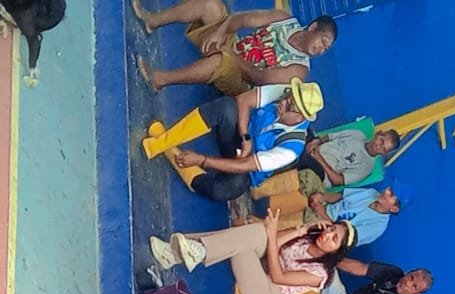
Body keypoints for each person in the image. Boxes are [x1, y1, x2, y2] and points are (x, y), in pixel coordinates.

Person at [142, 81, 323, 202]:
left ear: (299, 117)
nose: (283, 102)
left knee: (224, 189)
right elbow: (243, 100)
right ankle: (162, 143)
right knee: (226, 107)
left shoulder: (292, 149)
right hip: (240, 137)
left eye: (290, 105)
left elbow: (245, 165)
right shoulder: (285, 93)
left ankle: (173, 153)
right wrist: (245, 137)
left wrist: (202, 160)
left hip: (246, 168)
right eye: (287, 96)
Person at [149, 209, 357, 294]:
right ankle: (192, 252)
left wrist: (272, 234)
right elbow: (273, 241)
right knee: (257, 232)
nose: (327, 235)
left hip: (266, 290)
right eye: (331, 229)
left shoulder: (321, 274)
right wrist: (300, 230)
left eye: (334, 239)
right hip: (266, 263)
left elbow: (278, 277)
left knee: (242, 245)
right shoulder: (308, 238)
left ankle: (180, 253)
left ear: (337, 251)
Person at [133, 0, 337, 94]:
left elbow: (260, 78)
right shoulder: (284, 20)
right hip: (233, 47)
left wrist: (229, 53)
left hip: (241, 83)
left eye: (326, 49)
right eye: (323, 41)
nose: (321, 49)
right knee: (211, 5)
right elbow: (241, 19)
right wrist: (219, 33)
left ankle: (159, 80)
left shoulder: (300, 69)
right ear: (313, 27)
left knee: (222, 60)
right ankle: (152, 21)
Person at [308, 181, 413, 245]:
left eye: (391, 194)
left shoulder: (377, 226)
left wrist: (322, 214)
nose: (386, 191)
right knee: (309, 178)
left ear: (394, 209)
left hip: (325, 232)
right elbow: (341, 196)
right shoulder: (372, 193)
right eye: (390, 188)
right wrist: (322, 197)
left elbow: (339, 239)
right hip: (324, 208)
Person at [298, 127, 400, 188]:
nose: (378, 147)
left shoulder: (367, 167)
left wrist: (319, 159)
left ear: (384, 154)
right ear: (378, 133)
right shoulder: (358, 134)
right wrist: (316, 141)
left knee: (302, 156)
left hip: (322, 172)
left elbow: (338, 181)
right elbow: (330, 137)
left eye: (383, 149)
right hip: (316, 150)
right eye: (381, 141)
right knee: (303, 126)